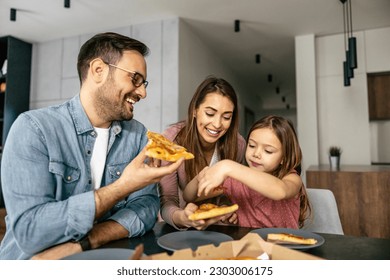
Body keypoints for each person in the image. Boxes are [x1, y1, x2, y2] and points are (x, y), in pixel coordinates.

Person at [0, 32, 183, 260]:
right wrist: (123, 186)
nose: (143, 92)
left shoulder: (136, 135)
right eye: (135, 79)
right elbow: (31, 230)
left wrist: (88, 241)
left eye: (143, 83)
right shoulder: (34, 128)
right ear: (98, 70)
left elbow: (145, 207)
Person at [183, 115, 311, 229]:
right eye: (252, 145)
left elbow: (280, 191)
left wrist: (227, 166)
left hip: (284, 250)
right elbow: (189, 196)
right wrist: (200, 178)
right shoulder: (234, 181)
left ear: (284, 157)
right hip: (246, 250)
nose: (256, 154)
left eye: (268, 151)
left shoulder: (291, 178)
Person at [159, 76, 246, 230]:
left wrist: (228, 208)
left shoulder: (238, 145)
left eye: (226, 117)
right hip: (178, 229)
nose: (217, 124)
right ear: (195, 110)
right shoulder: (171, 141)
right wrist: (182, 217)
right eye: (210, 114)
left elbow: (231, 192)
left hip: (219, 228)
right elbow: (167, 200)